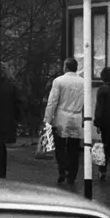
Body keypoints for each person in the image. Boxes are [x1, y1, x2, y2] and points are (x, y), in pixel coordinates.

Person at [44, 58, 84, 186]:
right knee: (74, 148)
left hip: (61, 117)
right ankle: (72, 175)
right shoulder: (83, 82)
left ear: (65, 67)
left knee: (60, 146)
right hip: (77, 117)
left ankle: (63, 170)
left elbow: (53, 101)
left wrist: (47, 119)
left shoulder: (59, 81)